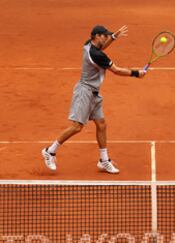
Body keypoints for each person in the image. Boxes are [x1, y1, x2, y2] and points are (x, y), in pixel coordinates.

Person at [41, 25, 146, 174]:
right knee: (77, 127)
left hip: (94, 93)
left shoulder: (88, 44)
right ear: (97, 36)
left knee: (101, 124)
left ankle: (104, 160)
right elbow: (116, 70)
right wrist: (136, 73)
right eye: (104, 36)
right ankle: (49, 151)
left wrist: (113, 37)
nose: (106, 38)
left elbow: (101, 47)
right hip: (85, 92)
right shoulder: (97, 55)